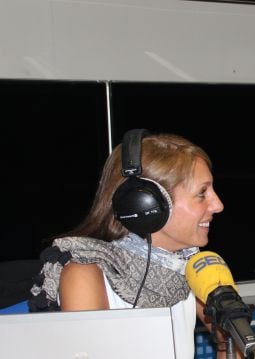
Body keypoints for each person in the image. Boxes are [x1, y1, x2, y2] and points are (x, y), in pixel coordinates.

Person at [28, 130, 235, 358]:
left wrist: (231, 339)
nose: (218, 205)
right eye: (202, 193)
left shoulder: (187, 266)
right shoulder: (85, 272)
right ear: (147, 203)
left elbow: (230, 343)